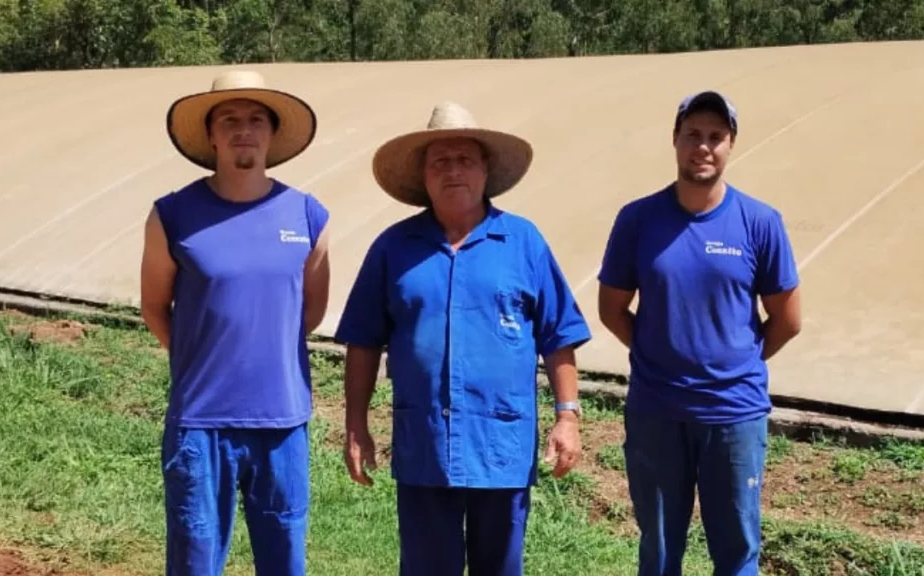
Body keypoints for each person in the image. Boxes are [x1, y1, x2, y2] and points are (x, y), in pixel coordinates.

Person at [334, 101, 592, 576]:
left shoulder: (523, 242)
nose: (453, 171)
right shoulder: (394, 248)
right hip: (425, 446)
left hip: (502, 446)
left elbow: (559, 335)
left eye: (465, 160)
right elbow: (363, 342)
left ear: (486, 171)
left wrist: (568, 418)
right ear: (425, 175)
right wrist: (356, 424)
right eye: (441, 161)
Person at [596, 91, 803, 576]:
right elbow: (611, 308)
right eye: (693, 135)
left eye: (716, 137)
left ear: (731, 145)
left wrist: (736, 364)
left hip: (733, 415)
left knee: (735, 552)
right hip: (657, 412)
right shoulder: (638, 220)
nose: (703, 147)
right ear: (675, 141)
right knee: (661, 549)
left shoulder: (759, 223)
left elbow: (788, 319)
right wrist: (658, 355)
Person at [139, 70, 331, 576]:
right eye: (229, 119)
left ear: (271, 133)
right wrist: (198, 356)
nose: (243, 129)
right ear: (211, 135)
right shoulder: (172, 215)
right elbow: (154, 307)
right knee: (195, 558)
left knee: (285, 558)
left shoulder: (308, 216)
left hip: (282, 422)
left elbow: (309, 311)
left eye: (255, 119)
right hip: (200, 423)